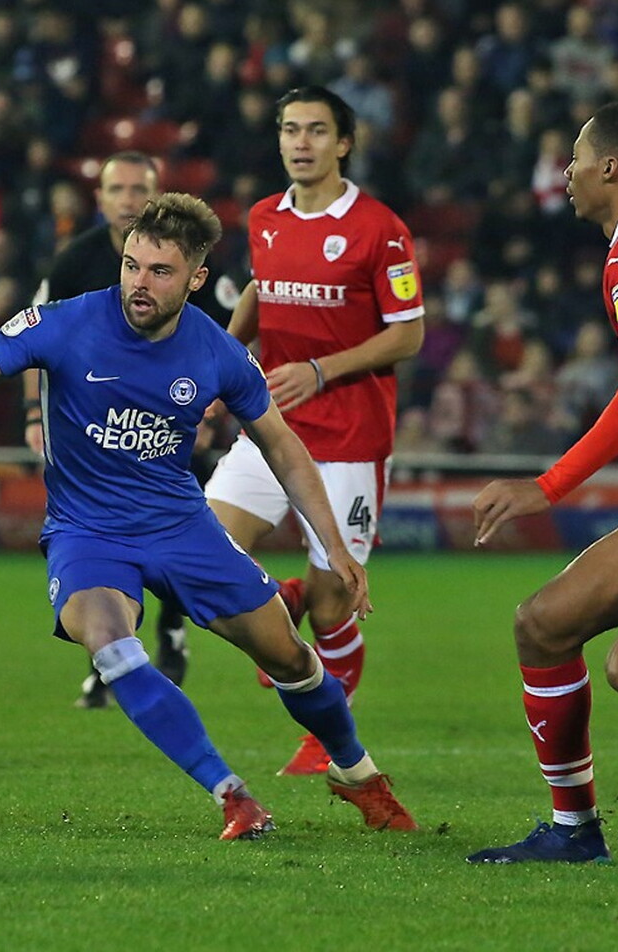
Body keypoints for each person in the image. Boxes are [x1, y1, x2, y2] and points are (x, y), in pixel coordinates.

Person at [0, 192, 416, 838]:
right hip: (87, 533)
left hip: (181, 528)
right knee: (111, 644)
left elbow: (282, 446)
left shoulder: (217, 352)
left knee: (292, 661)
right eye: (132, 265)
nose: (139, 282)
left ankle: (357, 772)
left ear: (196, 278)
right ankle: (233, 795)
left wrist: (334, 545)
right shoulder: (67, 322)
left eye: (160, 272)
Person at [467, 100, 618, 864]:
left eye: (574, 158)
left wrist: (548, 486)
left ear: (610, 166)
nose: (565, 173)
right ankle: (574, 832)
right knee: (545, 622)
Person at [203, 85, 425, 775]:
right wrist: (219, 362)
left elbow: (409, 333)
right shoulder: (265, 217)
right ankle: (280, 600)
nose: (302, 142)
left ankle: (327, 733)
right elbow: (261, 290)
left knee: (333, 606)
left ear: (344, 143)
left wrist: (322, 371)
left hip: (349, 439)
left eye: (317, 130)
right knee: (201, 552)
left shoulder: (379, 229)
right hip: (271, 428)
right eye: (291, 129)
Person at [26, 149, 242, 708]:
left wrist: (212, 411)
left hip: (175, 426)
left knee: (173, 530)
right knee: (96, 546)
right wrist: (33, 415)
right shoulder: (74, 263)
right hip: (95, 436)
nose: (127, 199)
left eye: (137, 189)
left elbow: (232, 337)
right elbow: (29, 339)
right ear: (99, 199)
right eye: (116, 189)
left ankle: (170, 625)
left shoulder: (187, 261)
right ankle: (108, 659)